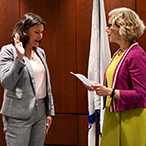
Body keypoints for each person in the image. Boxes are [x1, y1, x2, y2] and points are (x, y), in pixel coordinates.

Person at [85, 7, 146, 146]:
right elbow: (115, 84)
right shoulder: (119, 53)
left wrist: (109, 92)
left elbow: (141, 94)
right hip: (114, 114)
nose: (106, 30)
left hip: (131, 118)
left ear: (123, 27)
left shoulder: (136, 54)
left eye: (110, 25)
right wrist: (97, 87)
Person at [0, 13, 55, 146]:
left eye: (41, 32)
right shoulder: (8, 51)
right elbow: (7, 82)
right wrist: (19, 58)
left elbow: (46, 85)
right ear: (25, 31)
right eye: (36, 32)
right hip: (18, 115)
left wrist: (49, 112)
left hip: (40, 113)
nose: (40, 36)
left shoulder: (40, 52)